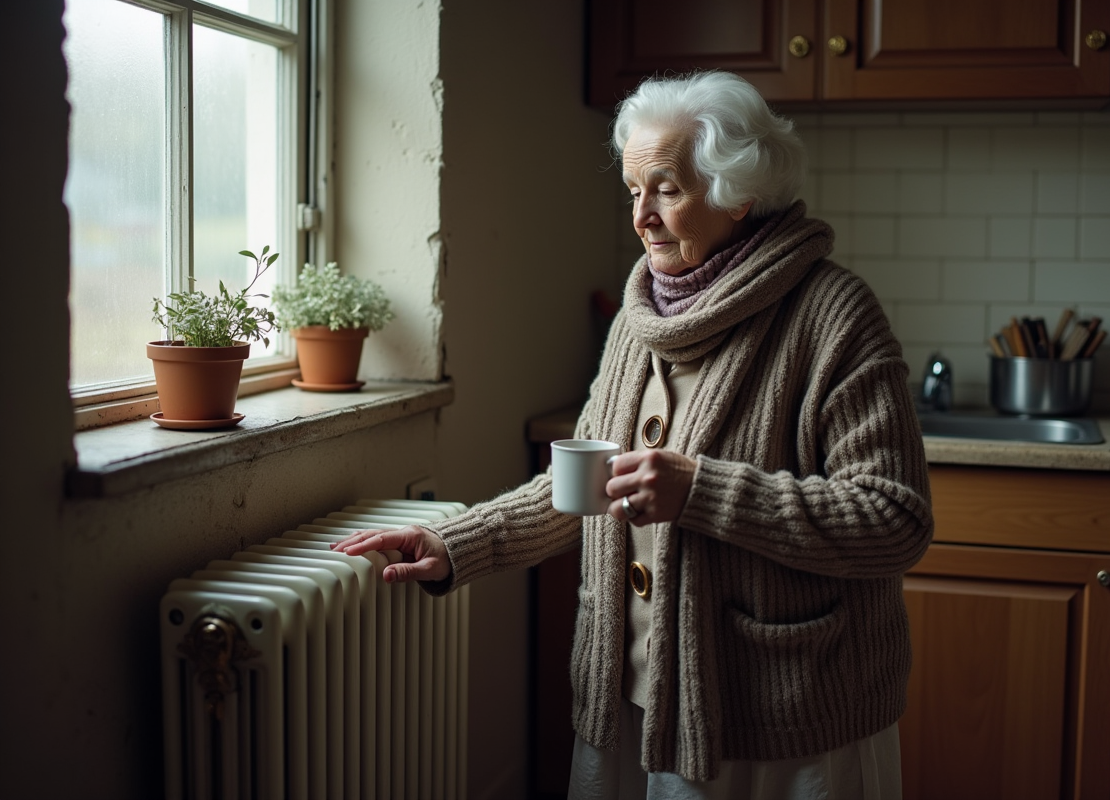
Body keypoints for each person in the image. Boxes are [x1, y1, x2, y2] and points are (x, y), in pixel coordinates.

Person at [334, 70, 933, 799]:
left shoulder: (834, 315)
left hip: (778, 723)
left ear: (739, 193)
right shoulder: (637, 318)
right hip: (630, 708)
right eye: (633, 192)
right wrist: (458, 543)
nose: (641, 216)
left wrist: (702, 492)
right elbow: (585, 485)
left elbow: (894, 520)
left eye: (667, 189)